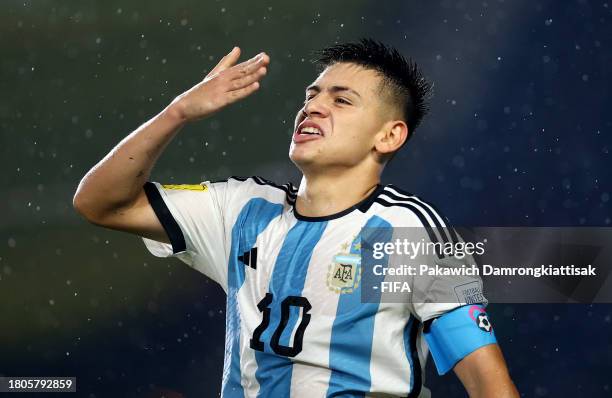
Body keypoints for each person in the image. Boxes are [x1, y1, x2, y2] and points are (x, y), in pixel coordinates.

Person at [73, 39, 518, 397]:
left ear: (389, 135)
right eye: (312, 95)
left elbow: (488, 383)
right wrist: (179, 112)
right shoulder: (241, 209)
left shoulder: (409, 232)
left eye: (342, 100)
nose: (313, 107)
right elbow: (102, 203)